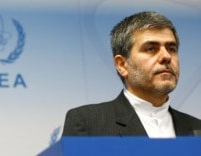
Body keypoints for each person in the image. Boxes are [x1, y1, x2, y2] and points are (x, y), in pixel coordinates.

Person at [62, 11, 201, 137]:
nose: (166, 56)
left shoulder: (197, 128)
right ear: (122, 65)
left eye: (171, 49)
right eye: (151, 49)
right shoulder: (88, 122)